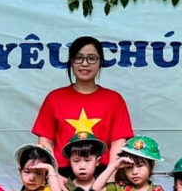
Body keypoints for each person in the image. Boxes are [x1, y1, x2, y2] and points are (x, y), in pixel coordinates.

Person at [33, 35, 133, 168]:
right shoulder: (54, 98)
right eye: (78, 58)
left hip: (104, 172)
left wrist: (110, 174)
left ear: (100, 62)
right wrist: (54, 173)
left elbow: (118, 142)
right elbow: (45, 141)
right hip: (61, 173)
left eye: (92, 58)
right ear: (71, 61)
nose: (85, 63)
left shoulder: (114, 99)